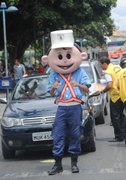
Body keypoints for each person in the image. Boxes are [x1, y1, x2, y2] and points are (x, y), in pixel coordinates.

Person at [41, 30, 91, 175]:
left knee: (75, 134)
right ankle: (58, 164)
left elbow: (87, 89)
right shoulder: (53, 74)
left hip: (75, 107)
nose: (64, 60)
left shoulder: (80, 72)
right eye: (60, 56)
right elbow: (50, 92)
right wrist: (54, 88)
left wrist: (78, 85)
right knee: (58, 134)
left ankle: (74, 163)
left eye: (68, 56)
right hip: (62, 107)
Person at [99, 56, 125, 142]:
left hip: (115, 96)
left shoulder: (107, 72)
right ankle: (124, 134)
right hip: (123, 94)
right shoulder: (117, 67)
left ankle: (118, 136)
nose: (101, 67)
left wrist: (103, 91)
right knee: (121, 115)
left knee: (115, 117)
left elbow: (110, 85)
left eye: (101, 65)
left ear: (105, 64)